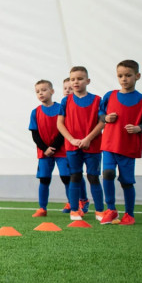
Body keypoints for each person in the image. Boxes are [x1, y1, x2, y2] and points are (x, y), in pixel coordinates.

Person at [98, 59, 142, 225]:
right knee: (108, 174)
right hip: (109, 144)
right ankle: (111, 209)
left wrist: (138, 128)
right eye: (120, 76)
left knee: (127, 181)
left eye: (128, 75)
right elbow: (100, 114)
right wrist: (106, 118)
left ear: (137, 76)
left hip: (128, 147)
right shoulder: (109, 95)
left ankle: (129, 214)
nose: (124, 79)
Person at [57, 66, 106, 222]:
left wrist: (88, 139)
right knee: (75, 176)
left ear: (88, 81)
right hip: (72, 147)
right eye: (72, 79)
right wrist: (71, 139)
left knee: (93, 177)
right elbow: (60, 124)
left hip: (93, 146)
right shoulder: (66, 101)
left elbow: (102, 122)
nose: (75, 82)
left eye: (79, 79)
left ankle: (100, 211)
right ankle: (74, 210)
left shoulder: (97, 100)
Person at [28, 80, 66, 217]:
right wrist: (45, 149)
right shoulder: (35, 112)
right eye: (38, 91)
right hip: (44, 153)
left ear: (52, 91)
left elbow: (63, 130)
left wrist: (54, 147)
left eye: (44, 90)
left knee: (66, 177)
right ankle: (42, 208)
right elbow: (35, 134)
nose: (41, 93)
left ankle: (73, 206)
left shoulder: (61, 108)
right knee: (44, 179)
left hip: (61, 150)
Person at [61, 77, 89, 213]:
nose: (67, 90)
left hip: (77, 144)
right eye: (65, 88)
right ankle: (71, 201)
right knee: (67, 175)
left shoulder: (81, 105)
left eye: (70, 88)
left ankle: (83, 199)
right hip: (64, 145)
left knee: (76, 174)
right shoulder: (63, 104)